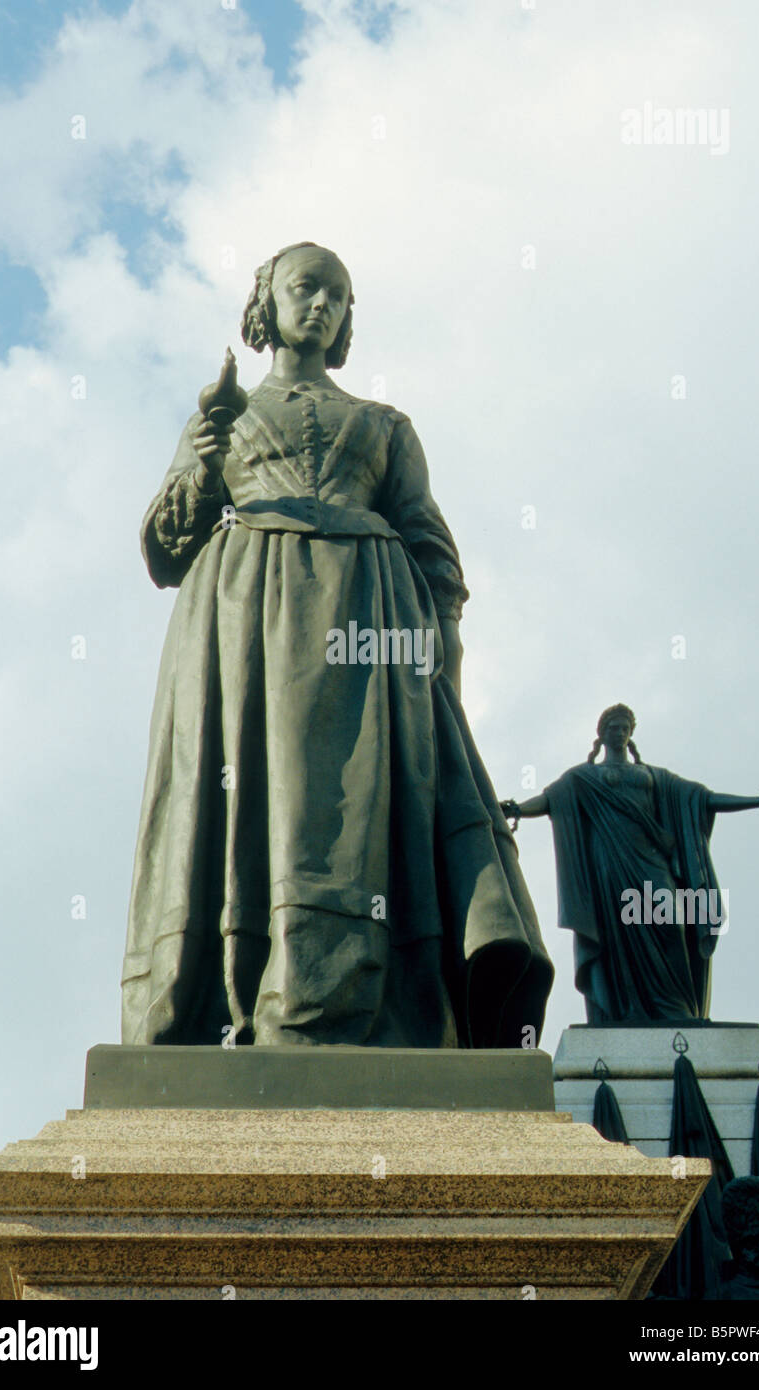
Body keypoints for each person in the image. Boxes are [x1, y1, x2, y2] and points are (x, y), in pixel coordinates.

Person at [121, 241, 553, 1049]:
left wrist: (443, 665)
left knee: (356, 810)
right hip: (243, 620)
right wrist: (206, 453)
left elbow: (431, 547)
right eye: (305, 289)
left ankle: (375, 1001)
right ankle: (238, 994)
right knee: (256, 796)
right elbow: (163, 552)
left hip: (373, 625)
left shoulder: (382, 425)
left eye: (337, 297)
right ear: (267, 303)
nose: (320, 305)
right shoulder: (223, 414)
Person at [501, 704, 759, 1024]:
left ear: (631, 734)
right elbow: (549, 800)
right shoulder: (584, 778)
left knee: (671, 924)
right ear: (602, 734)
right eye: (614, 726)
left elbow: (702, 799)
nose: (620, 732)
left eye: (625, 727)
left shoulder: (654, 777)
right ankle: (626, 1010)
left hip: (651, 860)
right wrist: (516, 810)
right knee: (619, 934)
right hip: (610, 862)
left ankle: (675, 1008)